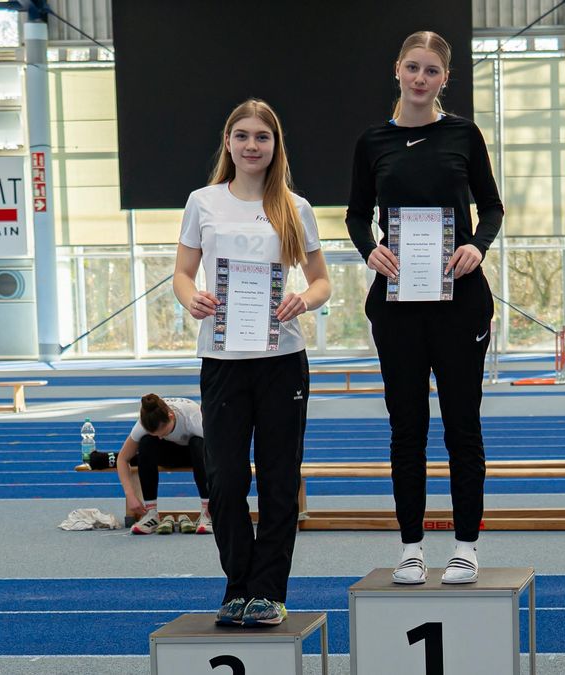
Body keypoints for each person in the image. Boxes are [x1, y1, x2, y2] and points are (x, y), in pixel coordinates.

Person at [345, 30, 503, 585]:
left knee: (463, 427)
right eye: (412, 68)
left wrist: (475, 247)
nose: (420, 79)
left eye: (431, 71)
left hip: (461, 302)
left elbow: (493, 207)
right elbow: (355, 216)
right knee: (405, 429)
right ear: (397, 70)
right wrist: (372, 251)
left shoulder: (464, 134)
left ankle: (465, 546)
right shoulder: (373, 142)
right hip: (398, 305)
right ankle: (411, 547)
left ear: (444, 79)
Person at [175, 99, 331, 627]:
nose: (250, 145)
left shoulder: (294, 206)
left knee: (280, 481)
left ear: (274, 146)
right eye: (241, 135)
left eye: (261, 137)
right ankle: (237, 585)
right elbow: (181, 272)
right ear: (228, 142)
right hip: (222, 359)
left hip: (281, 358)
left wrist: (304, 300)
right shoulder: (203, 201)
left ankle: (268, 592)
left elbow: (322, 281)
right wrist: (188, 296)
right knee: (223, 479)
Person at [118, 394, 212, 536]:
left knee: (198, 443)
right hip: (167, 455)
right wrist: (129, 494)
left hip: (194, 454)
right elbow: (122, 459)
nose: (161, 437)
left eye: (163, 432)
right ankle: (151, 514)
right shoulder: (144, 423)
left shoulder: (194, 419)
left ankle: (208, 511)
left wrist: (218, 496)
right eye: (156, 434)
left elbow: (222, 454)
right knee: (146, 443)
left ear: (171, 416)